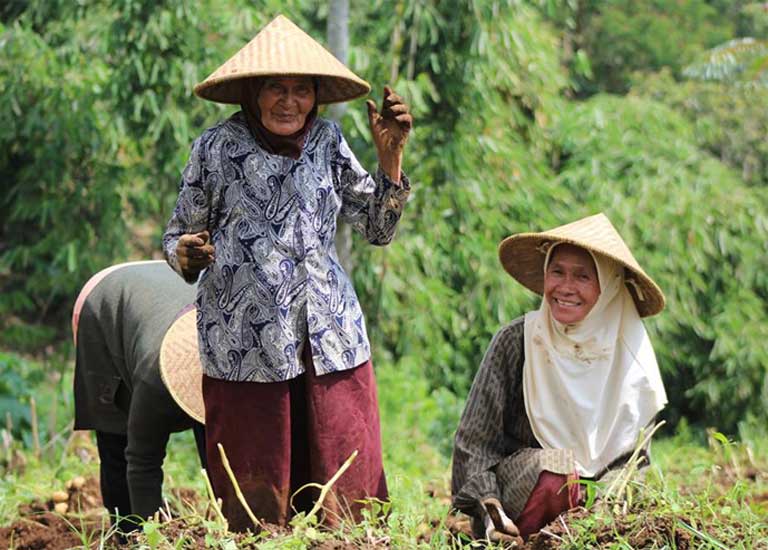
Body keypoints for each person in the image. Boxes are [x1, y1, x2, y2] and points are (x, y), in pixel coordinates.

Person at [162, 15, 412, 530]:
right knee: (257, 501)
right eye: (276, 87)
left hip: (329, 330)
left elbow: (377, 228)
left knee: (345, 481)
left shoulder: (328, 141)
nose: (288, 101)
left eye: (301, 90)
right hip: (245, 339)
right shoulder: (217, 148)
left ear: (315, 96)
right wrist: (185, 254)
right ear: (252, 92)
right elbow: (177, 236)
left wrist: (391, 159)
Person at [451, 213, 668, 543]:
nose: (565, 288)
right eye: (557, 272)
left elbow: (634, 463)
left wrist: (606, 514)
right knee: (559, 470)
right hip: (515, 508)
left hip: (604, 516)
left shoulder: (630, 356)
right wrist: (491, 508)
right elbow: (474, 445)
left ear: (607, 287)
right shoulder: (518, 340)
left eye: (583, 276)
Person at [72, 261, 207, 533]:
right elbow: (142, 462)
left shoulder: (236, 373)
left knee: (219, 445)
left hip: (164, 293)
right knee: (117, 441)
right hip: (105, 303)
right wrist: (150, 536)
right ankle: (125, 534)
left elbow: (225, 457)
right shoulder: (153, 378)